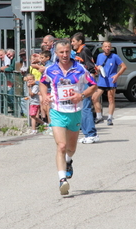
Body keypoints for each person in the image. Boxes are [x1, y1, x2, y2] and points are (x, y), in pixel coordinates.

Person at [40, 40, 97, 196]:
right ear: (56, 54)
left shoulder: (80, 69)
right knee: (62, 146)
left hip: (75, 112)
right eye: (61, 52)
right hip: (57, 111)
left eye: (67, 52)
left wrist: (81, 95)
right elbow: (43, 83)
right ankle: (62, 180)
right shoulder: (50, 69)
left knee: (71, 149)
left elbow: (93, 85)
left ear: (70, 51)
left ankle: (69, 161)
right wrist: (45, 96)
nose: (64, 55)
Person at [71, 32, 100, 144]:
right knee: (82, 108)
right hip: (81, 83)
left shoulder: (84, 51)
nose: (72, 43)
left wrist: (90, 84)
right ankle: (88, 133)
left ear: (80, 42)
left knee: (86, 108)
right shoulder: (78, 52)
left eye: (74, 41)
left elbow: (91, 68)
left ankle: (91, 134)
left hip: (86, 83)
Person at [92, 41, 127, 125]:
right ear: (102, 48)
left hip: (111, 81)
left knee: (110, 99)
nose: (107, 48)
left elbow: (124, 66)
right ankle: (99, 116)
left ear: (111, 48)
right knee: (94, 98)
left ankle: (110, 118)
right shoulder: (99, 56)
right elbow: (97, 67)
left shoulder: (115, 56)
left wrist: (117, 75)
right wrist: (97, 68)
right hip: (101, 81)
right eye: (105, 46)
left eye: (109, 46)